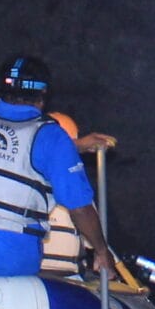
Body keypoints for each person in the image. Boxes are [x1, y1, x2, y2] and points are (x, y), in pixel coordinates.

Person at [0, 55, 123, 285]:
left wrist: (75, 146)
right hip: (9, 262)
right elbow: (80, 209)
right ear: (43, 94)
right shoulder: (53, 137)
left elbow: (5, 143)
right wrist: (102, 251)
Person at [38, 113, 90, 278]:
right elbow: (91, 236)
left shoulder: (25, 186)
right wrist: (103, 252)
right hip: (65, 277)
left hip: (28, 275)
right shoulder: (77, 192)